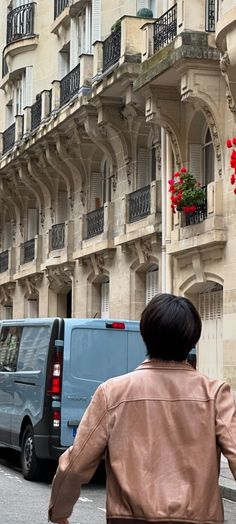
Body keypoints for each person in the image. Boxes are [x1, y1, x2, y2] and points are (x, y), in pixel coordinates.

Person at [48, 293, 236, 524]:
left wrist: (59, 512)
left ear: (145, 334)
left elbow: (75, 465)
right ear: (193, 338)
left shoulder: (112, 392)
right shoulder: (215, 393)